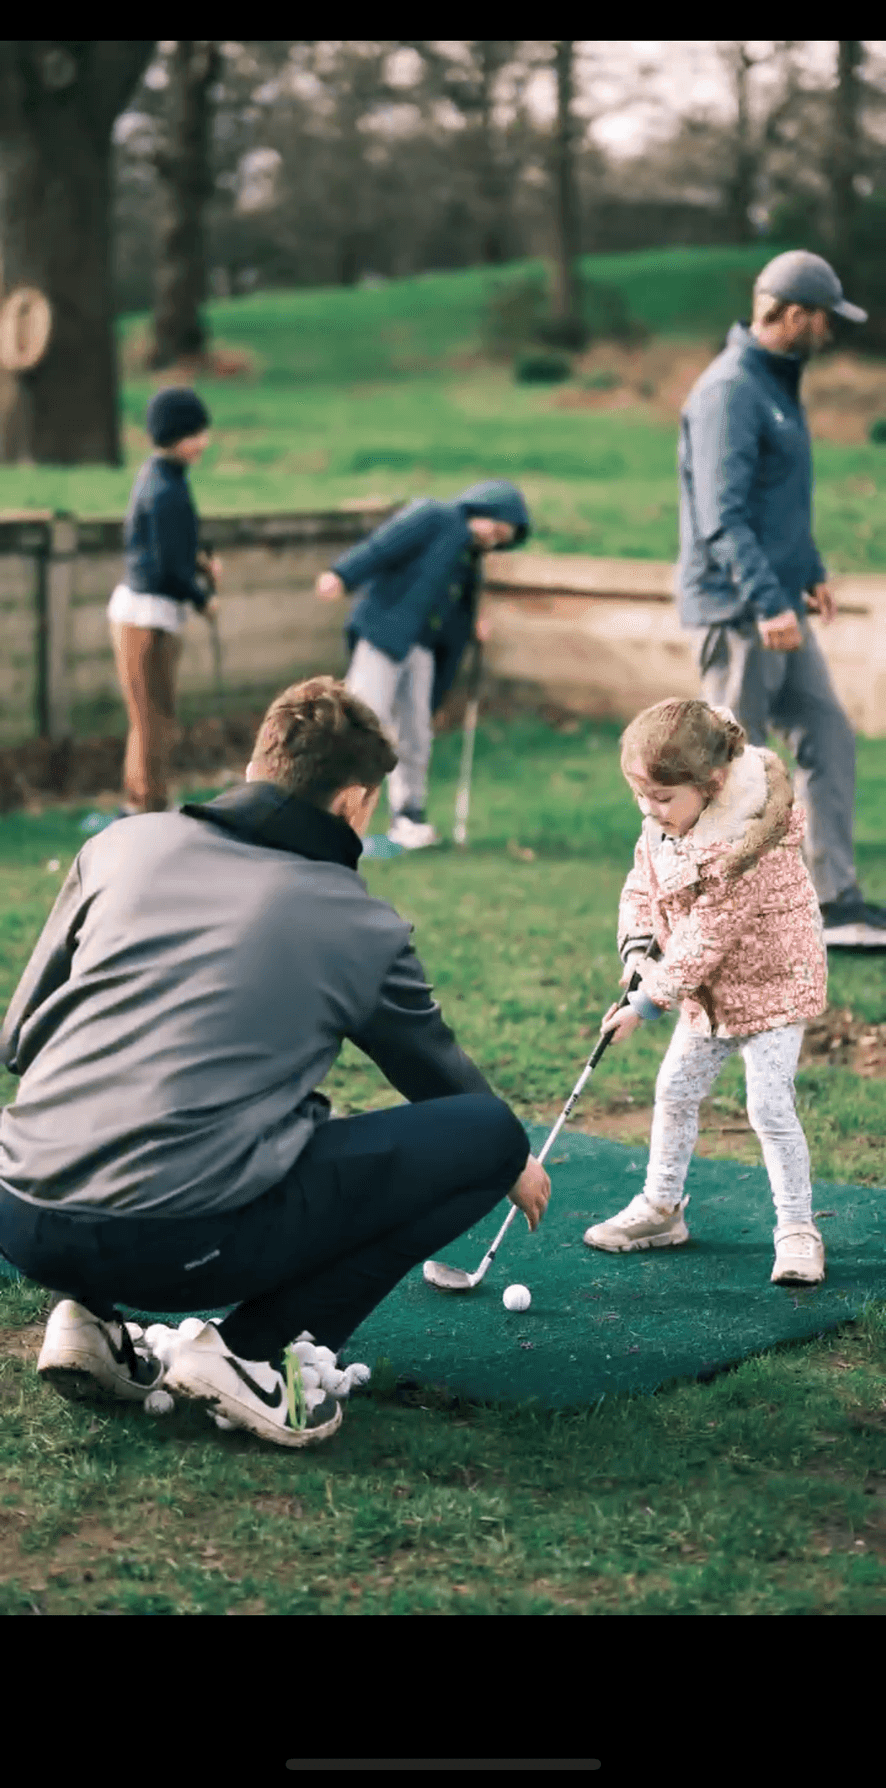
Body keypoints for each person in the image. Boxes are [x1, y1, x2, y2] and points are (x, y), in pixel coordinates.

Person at [0, 677, 549, 1449]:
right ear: (355, 803)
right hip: (178, 1241)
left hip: (22, 1214)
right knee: (488, 1134)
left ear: (260, 761)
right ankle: (254, 1353)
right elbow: (437, 1076)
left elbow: (19, 1040)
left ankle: (91, 1322)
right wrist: (514, 1156)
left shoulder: (117, 845)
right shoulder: (359, 922)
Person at [677, 248, 886, 949]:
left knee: (826, 733)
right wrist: (768, 601)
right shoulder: (730, 390)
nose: (829, 333)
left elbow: (776, 505)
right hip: (739, 611)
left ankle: (836, 902)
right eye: (824, 319)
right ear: (793, 314)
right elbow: (722, 516)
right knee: (735, 769)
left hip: (775, 603)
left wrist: (810, 569)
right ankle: (725, 919)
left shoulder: (774, 384)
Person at [583, 697, 828, 1287]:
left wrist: (647, 1001)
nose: (649, 809)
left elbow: (708, 937)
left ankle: (798, 1228)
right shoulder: (662, 827)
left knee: (768, 1106)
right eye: (642, 795)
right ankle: (661, 1210)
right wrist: (639, 951)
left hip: (774, 986)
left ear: (713, 783)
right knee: (673, 1090)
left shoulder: (751, 847)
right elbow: (641, 889)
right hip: (709, 994)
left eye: (663, 797)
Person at [315, 479, 531, 847]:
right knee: (362, 720)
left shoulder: (470, 555)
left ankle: (409, 814)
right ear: (482, 510)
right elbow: (382, 547)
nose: (494, 540)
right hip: (384, 636)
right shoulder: (434, 517)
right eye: (496, 530)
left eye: (502, 538)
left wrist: (472, 622)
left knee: (415, 730)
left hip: (422, 648)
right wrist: (342, 574)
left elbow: (458, 599)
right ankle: (330, 811)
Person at [107, 387, 221, 814]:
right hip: (147, 616)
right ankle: (149, 807)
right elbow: (168, 567)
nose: (204, 442)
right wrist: (202, 599)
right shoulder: (166, 489)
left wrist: (200, 564)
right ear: (175, 435)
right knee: (154, 719)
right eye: (196, 433)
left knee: (149, 716)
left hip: (150, 612)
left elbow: (173, 548)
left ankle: (139, 803)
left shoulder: (164, 477)